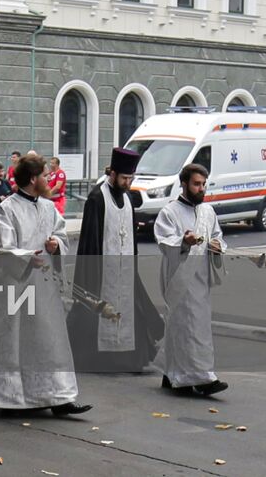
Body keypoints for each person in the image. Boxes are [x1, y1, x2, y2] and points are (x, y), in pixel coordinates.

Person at [0, 153, 91, 416]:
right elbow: (1, 250)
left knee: (51, 340)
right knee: (16, 342)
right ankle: (11, 399)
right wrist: (25, 259)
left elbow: (60, 231)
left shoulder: (47, 207)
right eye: (45, 175)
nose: (49, 179)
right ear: (33, 179)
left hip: (45, 287)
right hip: (17, 288)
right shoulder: (6, 210)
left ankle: (59, 396)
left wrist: (56, 243)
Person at [67, 148, 164, 373]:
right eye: (124, 178)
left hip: (126, 271)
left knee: (132, 312)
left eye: (131, 178)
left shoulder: (128, 198)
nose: (128, 183)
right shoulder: (96, 198)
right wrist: (89, 276)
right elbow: (89, 241)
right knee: (97, 317)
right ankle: (100, 361)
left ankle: (128, 360)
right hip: (102, 273)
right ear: (113, 173)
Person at [155, 163, 228, 397]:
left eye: (204, 184)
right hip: (180, 277)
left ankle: (174, 374)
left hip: (201, 279)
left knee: (199, 327)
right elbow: (164, 241)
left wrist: (218, 246)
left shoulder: (208, 211)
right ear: (184, 184)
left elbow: (217, 236)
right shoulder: (170, 212)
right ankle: (199, 378)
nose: (201, 188)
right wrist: (184, 242)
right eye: (197, 184)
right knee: (182, 326)